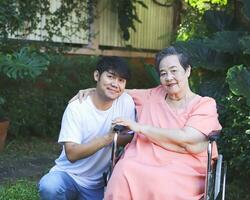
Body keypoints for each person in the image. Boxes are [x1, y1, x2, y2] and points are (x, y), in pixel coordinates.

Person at [73, 46, 222, 200]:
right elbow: (120, 91)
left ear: (187, 71)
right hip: (143, 156)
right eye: (163, 73)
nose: (169, 77)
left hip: (185, 166)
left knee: (161, 181)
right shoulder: (152, 95)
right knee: (124, 170)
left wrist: (140, 128)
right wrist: (94, 90)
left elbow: (187, 137)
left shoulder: (204, 104)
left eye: (174, 70)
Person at [38, 56, 136, 200]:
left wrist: (115, 139)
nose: (115, 84)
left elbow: (131, 136)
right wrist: (108, 138)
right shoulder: (77, 107)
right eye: (110, 77)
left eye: (121, 80)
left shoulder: (125, 101)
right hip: (69, 176)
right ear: (97, 75)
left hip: (99, 183)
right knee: (49, 186)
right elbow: (72, 153)